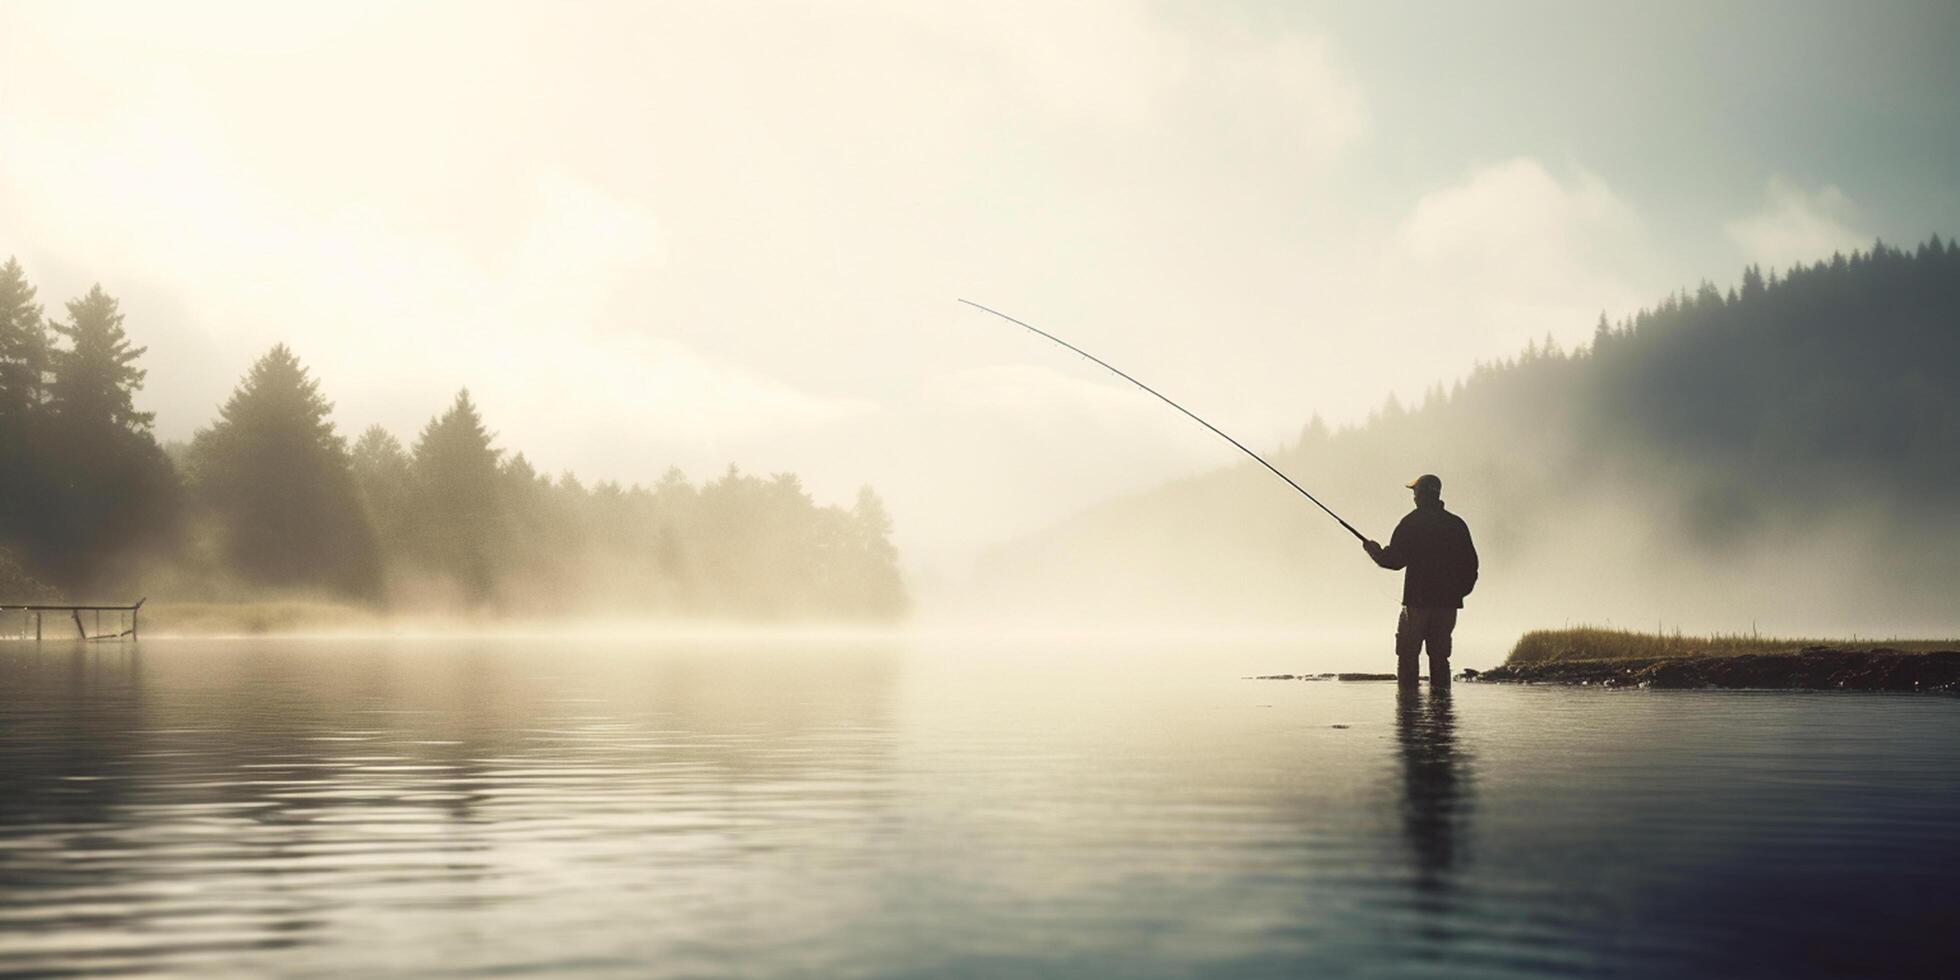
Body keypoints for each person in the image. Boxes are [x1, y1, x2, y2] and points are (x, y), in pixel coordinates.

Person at [1363, 474, 1478, 686]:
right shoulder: (1456, 524)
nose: (1413, 497)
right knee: (1440, 657)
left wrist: (1374, 552)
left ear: (1421, 495)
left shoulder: (1412, 523)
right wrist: (1457, 593)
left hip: (1417, 603)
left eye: (1415, 492)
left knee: (1407, 655)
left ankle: (1408, 711)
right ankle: (1442, 712)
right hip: (1447, 605)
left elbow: (1395, 560)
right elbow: (1471, 566)